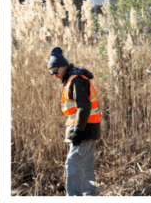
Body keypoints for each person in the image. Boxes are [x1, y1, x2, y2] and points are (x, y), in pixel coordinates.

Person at [49, 47, 101, 196]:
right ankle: (89, 195)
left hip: (84, 130)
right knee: (85, 166)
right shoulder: (73, 79)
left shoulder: (76, 81)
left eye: (55, 71)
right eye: (51, 72)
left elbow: (84, 107)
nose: (54, 75)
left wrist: (77, 132)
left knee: (73, 164)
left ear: (64, 67)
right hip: (89, 128)